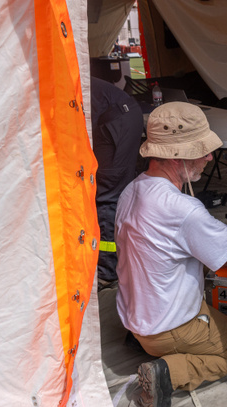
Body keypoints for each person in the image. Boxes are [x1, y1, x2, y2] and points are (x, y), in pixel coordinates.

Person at [114, 102, 227, 407]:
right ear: (175, 156)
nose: (211, 157)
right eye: (202, 150)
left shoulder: (132, 189)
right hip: (167, 327)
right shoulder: (182, 209)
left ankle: (152, 344)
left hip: (135, 315)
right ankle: (169, 370)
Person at [90, 77, 144, 287]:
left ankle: (107, 271)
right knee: (116, 189)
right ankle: (120, 255)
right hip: (120, 116)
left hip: (116, 121)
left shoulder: (57, 80)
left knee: (107, 194)